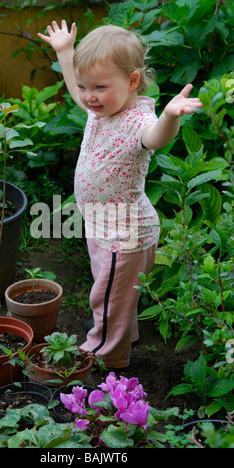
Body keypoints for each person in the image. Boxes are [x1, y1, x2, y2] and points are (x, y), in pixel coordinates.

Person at [38, 20, 203, 368]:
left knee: (106, 297)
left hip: (123, 232)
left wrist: (171, 116)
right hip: (102, 223)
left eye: (99, 86)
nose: (88, 96)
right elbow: (75, 86)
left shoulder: (136, 121)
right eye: (85, 87)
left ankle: (105, 356)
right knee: (114, 289)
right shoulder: (102, 108)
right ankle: (122, 333)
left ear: (131, 82)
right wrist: (65, 51)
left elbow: (156, 138)